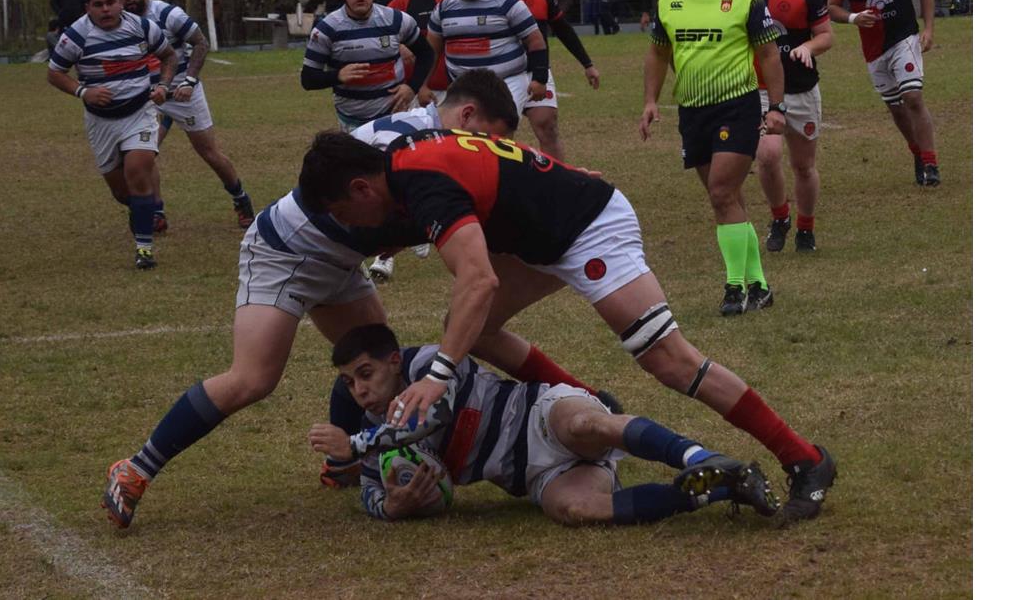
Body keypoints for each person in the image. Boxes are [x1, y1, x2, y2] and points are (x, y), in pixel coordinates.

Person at [100, 73, 608, 527]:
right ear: (467, 117)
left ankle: (344, 462)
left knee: (379, 365)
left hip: (339, 257)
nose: (496, 153)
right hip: (285, 252)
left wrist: (555, 180)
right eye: (495, 141)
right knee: (252, 378)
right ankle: (136, 468)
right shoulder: (407, 147)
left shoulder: (437, 145)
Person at [297, 128, 837, 526]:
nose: (352, 227)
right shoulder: (403, 157)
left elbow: (478, 279)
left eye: (345, 213)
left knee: (670, 361)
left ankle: (804, 458)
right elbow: (488, 155)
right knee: (475, 330)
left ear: (363, 188)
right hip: (543, 234)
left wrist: (438, 375)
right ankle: (583, 400)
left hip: (587, 229)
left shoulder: (422, 184)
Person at [308, 325, 778, 524]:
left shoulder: (433, 363)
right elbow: (372, 492)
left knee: (582, 424)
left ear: (394, 360)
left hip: (540, 417)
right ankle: (722, 488)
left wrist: (353, 442)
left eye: (366, 374)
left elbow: (429, 417)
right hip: (534, 475)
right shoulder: (375, 435)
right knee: (575, 511)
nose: (360, 391)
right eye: (349, 383)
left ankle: (702, 457)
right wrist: (393, 506)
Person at [639, 0, 785, 315]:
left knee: (721, 192)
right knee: (727, 199)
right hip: (692, 110)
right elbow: (658, 50)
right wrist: (651, 100)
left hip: (736, 105)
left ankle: (734, 287)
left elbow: (769, 54)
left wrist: (775, 107)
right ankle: (760, 285)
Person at [46, 0, 175, 269]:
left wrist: (164, 86)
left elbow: (169, 56)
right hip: (101, 121)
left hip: (140, 111)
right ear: (87, 8)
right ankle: (142, 212)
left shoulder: (142, 27)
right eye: (98, 5)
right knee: (121, 191)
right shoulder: (77, 35)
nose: (106, 9)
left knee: (137, 169)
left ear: (119, 1)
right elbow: (54, 73)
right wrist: (83, 91)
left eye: (110, 2)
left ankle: (144, 249)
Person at [117, 0, 257, 231]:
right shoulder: (122, 21)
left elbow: (201, 43)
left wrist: (190, 81)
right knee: (144, 155)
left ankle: (241, 199)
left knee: (208, 152)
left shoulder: (169, 15)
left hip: (182, 94)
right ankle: (156, 212)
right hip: (148, 97)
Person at [828, 0, 941, 187]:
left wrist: (928, 29)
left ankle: (931, 163)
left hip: (905, 39)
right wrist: (854, 18)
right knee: (897, 108)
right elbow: (831, 7)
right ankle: (916, 153)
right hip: (874, 50)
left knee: (912, 96)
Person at [750, 0, 833, 254]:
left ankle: (805, 228)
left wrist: (808, 48)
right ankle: (780, 216)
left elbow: (826, 35)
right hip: (759, 91)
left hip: (801, 90)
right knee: (768, 156)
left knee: (803, 165)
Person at [371, 0, 450, 284]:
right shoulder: (401, 3)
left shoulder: (450, 2)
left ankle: (425, 225)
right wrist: (420, 82)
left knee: (442, 163)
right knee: (403, 159)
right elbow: (385, 36)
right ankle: (394, 243)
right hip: (413, 90)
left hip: (451, 92)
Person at [425, 0, 553, 144]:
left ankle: (501, 171)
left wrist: (540, 78)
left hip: (506, 81)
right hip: (463, 85)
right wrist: (422, 85)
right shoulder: (444, 8)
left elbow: (535, 41)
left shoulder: (507, 2)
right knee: (456, 135)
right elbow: (431, 51)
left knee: (495, 134)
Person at [495, 0, 601, 162]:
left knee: (548, 127)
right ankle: (502, 185)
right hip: (502, 76)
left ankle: (557, 186)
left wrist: (587, 64)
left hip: (538, 72)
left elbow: (563, 30)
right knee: (501, 132)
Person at [301, 0, 435, 131]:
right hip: (353, 123)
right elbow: (307, 79)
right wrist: (337, 76)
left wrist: (412, 87)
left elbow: (426, 53)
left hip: (395, 117)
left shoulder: (396, 20)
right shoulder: (326, 30)